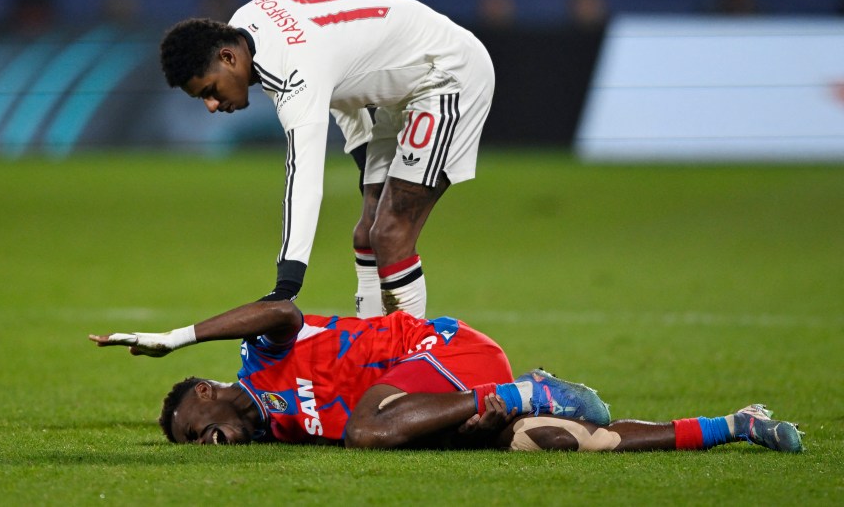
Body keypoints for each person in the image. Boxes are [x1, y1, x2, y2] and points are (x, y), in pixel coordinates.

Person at [159, 0, 495, 319]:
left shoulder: (292, 71)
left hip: (446, 74)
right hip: (402, 80)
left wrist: (287, 284)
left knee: (390, 232)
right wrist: (367, 163)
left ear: (228, 58)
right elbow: (341, 79)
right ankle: (373, 357)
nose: (212, 105)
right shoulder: (248, 21)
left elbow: (303, 178)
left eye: (210, 91)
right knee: (367, 232)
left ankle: (413, 362)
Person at [88, 299, 803, 453]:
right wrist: (471, 424)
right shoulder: (284, 432)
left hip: (441, 351)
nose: (208, 436)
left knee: (367, 432)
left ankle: (523, 387)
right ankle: (737, 425)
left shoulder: (263, 359)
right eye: (196, 442)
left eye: (198, 426)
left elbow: (281, 307)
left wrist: (177, 339)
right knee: (559, 443)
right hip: (430, 400)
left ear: (208, 394)